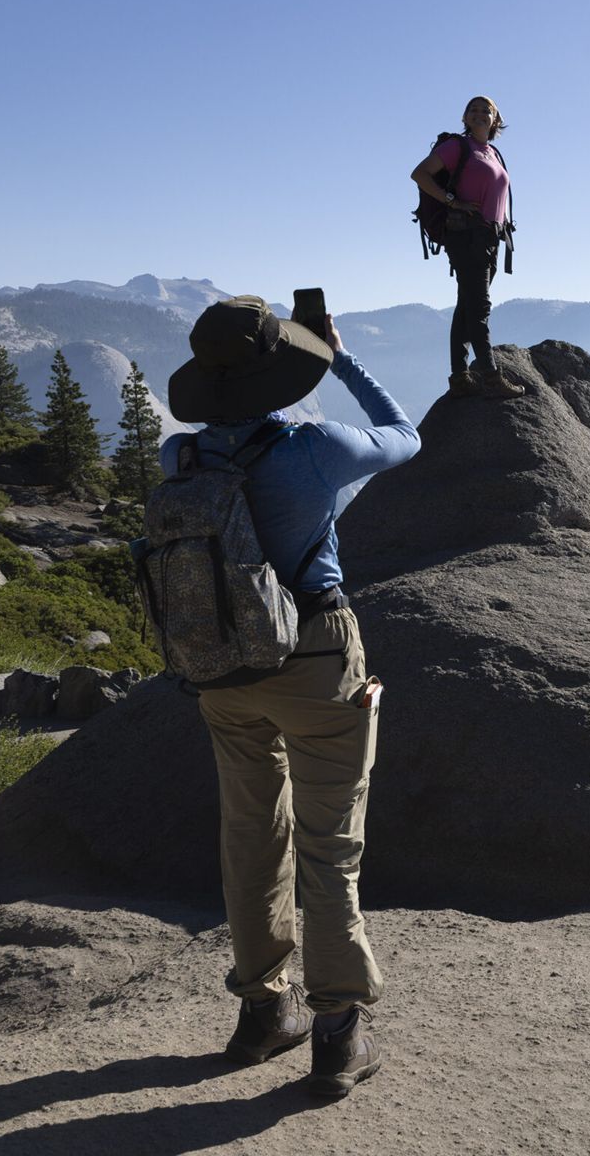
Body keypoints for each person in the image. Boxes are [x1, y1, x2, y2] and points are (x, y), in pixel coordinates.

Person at [163, 295, 420, 1097]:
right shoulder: (315, 450)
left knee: (249, 835)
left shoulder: (181, 460)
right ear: (279, 369)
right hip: (315, 659)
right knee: (329, 848)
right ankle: (338, 1033)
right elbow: (406, 435)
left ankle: (262, 1013)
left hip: (223, 672)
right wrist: (336, 355)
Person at [410, 95, 525, 400]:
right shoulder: (457, 147)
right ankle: (489, 375)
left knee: (467, 305)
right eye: (472, 109)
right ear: (465, 117)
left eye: (485, 110)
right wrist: (450, 200)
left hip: (490, 237)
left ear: (495, 120)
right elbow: (419, 174)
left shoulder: (493, 153)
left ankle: (460, 376)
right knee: (479, 307)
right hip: (467, 234)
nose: (478, 113)